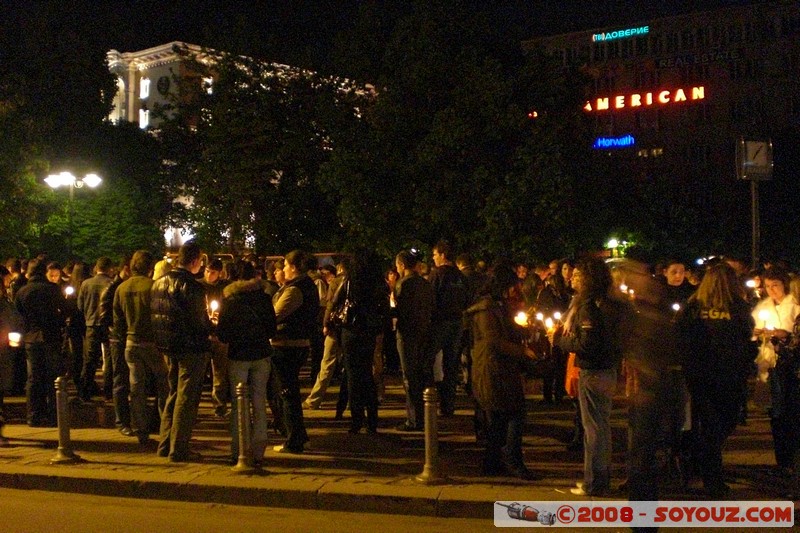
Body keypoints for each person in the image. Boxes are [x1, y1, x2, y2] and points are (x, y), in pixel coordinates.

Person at [677, 262, 755, 497]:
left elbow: (680, 335)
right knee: (722, 424)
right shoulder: (738, 307)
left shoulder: (693, 306)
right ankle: (712, 478)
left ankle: (701, 464)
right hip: (728, 375)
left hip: (700, 375)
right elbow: (747, 338)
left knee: (709, 424)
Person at [558, 256, 628, 496]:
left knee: (594, 429)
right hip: (608, 368)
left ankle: (594, 483)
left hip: (594, 370)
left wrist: (561, 340)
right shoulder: (612, 302)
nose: (573, 278)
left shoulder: (588, 306)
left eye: (577, 275)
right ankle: (600, 478)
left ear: (587, 278)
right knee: (601, 426)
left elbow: (587, 343)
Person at [465, 261, 539, 480]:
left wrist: (525, 329)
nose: (514, 291)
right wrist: (523, 352)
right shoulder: (486, 309)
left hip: (499, 367)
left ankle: (493, 462)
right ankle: (512, 460)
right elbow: (493, 341)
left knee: (498, 418)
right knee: (514, 412)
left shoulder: (496, 306)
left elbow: (505, 330)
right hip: (492, 369)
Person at [151, 241, 212, 462]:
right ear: (195, 261)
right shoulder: (192, 286)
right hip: (190, 347)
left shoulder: (158, 283)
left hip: (168, 346)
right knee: (186, 398)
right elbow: (199, 322)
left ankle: (165, 443)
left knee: (173, 394)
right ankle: (179, 448)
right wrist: (211, 327)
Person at [216, 260, 276, 466]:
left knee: (238, 403)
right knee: (259, 401)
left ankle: (239, 449)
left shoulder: (231, 299)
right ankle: (259, 450)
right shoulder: (264, 297)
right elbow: (272, 329)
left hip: (239, 355)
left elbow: (223, 334)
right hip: (261, 353)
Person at [114, 250, 169, 446]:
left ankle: (140, 429)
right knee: (164, 384)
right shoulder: (153, 287)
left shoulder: (121, 288)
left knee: (137, 387)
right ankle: (166, 427)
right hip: (151, 342)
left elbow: (117, 321)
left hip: (131, 342)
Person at [332, 251, 389, 434]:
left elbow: (336, 302)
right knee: (367, 373)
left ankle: (356, 419)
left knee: (352, 375)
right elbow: (384, 307)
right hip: (369, 330)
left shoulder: (350, 281)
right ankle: (372, 419)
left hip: (351, 329)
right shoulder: (377, 282)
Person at [752, 268, 800, 476]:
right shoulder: (764, 306)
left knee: (789, 410)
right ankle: (783, 459)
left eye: (776, 286)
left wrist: (785, 335)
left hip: (791, 364)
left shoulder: (795, 305)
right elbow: (754, 328)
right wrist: (757, 332)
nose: (772, 290)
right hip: (771, 363)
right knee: (777, 411)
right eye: (768, 286)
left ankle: (790, 458)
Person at [270, 250, 319, 454]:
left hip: (287, 345)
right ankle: (298, 435)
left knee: (287, 392)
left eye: (286, 265)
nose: (283, 269)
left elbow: (276, 315)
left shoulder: (295, 290)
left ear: (295, 267)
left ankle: (294, 439)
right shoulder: (303, 286)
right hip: (295, 343)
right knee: (287, 391)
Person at [15, 259, 66, 427]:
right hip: (51, 336)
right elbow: (66, 309)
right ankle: (53, 415)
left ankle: (34, 415)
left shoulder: (22, 292)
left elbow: (18, 316)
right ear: (44, 272)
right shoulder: (53, 289)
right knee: (53, 377)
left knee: (33, 378)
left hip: (31, 338)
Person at [427, 240, 469, 417]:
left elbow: (431, 298)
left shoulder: (437, 274)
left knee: (427, 359)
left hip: (440, 323)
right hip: (457, 323)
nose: (433, 258)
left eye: (435, 255)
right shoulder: (461, 277)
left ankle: (428, 401)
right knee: (451, 365)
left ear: (443, 255)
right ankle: (448, 405)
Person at [394, 250, 434, 431]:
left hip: (408, 333)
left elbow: (400, 310)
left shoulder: (403, 284)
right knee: (422, 373)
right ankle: (425, 415)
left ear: (402, 265)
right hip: (424, 332)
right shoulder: (425, 284)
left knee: (409, 376)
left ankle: (414, 419)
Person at [99, 255, 133, 436]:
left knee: (130, 381)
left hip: (126, 337)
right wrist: (114, 335)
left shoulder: (122, 287)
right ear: (125, 269)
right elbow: (104, 316)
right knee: (120, 380)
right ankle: (122, 421)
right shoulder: (112, 288)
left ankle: (132, 419)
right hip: (119, 339)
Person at [77, 257, 114, 402]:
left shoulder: (86, 284)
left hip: (91, 324)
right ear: (109, 269)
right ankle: (108, 392)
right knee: (110, 359)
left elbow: (80, 306)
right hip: (109, 325)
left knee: (90, 359)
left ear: (96, 268)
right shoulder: (112, 283)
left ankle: (85, 392)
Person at [201, 258, 230, 418]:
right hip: (203, 335)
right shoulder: (198, 286)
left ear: (219, 273)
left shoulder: (224, 288)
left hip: (219, 335)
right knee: (199, 371)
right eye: (206, 271)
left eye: (212, 272)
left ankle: (219, 405)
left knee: (219, 372)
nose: (208, 274)